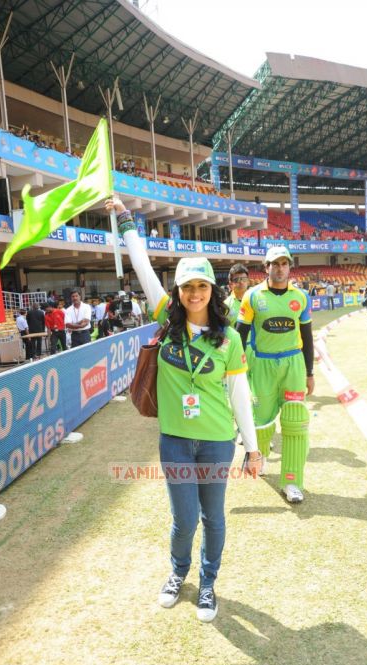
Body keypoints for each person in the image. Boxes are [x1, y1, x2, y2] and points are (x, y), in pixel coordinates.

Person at [105, 197, 262, 623]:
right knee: (184, 519)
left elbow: (238, 395)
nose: (194, 293)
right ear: (177, 291)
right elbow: (139, 264)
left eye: (202, 286)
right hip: (174, 441)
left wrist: (252, 448)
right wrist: (124, 218)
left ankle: (208, 583)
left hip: (215, 443)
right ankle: (178, 573)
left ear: (213, 290)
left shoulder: (229, 338)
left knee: (213, 517)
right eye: (187, 287)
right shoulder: (165, 319)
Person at [236, 246, 315, 505]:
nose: (280, 268)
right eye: (275, 264)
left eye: (284, 263)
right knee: (262, 420)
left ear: (290, 267)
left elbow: (306, 336)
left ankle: (292, 481)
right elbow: (240, 333)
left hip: (293, 364)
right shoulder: (252, 296)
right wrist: (235, 369)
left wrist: (310, 372)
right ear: (266, 267)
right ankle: (260, 455)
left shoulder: (301, 297)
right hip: (262, 366)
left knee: (294, 420)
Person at [224, 263, 251, 328]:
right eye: (236, 280)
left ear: (248, 281)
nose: (241, 282)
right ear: (230, 284)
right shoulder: (225, 305)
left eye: (243, 279)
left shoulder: (256, 300)